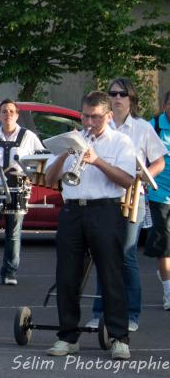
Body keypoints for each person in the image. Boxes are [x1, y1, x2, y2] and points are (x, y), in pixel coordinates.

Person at [42, 91, 134, 361]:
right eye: (85, 115)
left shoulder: (121, 142)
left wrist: (97, 161)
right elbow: (49, 179)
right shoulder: (74, 138)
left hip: (105, 210)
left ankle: (119, 338)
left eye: (95, 117)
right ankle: (67, 337)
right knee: (67, 276)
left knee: (111, 275)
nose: (89, 122)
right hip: (72, 211)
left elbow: (127, 180)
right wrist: (64, 155)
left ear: (108, 116)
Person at [84, 79, 164, 332]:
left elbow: (159, 161)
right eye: (113, 94)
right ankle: (100, 313)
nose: (117, 97)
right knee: (102, 253)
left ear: (131, 99)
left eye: (122, 94)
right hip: (104, 197)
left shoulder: (142, 128)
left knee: (126, 256)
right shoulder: (100, 125)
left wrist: (143, 178)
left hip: (133, 199)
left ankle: (131, 314)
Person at [0, 99, 45, 285]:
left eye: (11, 111)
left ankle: (10, 272)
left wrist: (30, 172)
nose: (8, 114)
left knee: (13, 232)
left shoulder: (28, 136)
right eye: (4, 111)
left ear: (17, 114)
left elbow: (42, 158)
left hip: (18, 185)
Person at [145, 89, 170, 311]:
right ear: (165, 105)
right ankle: (168, 291)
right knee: (165, 243)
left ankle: (166, 274)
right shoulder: (153, 126)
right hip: (159, 194)